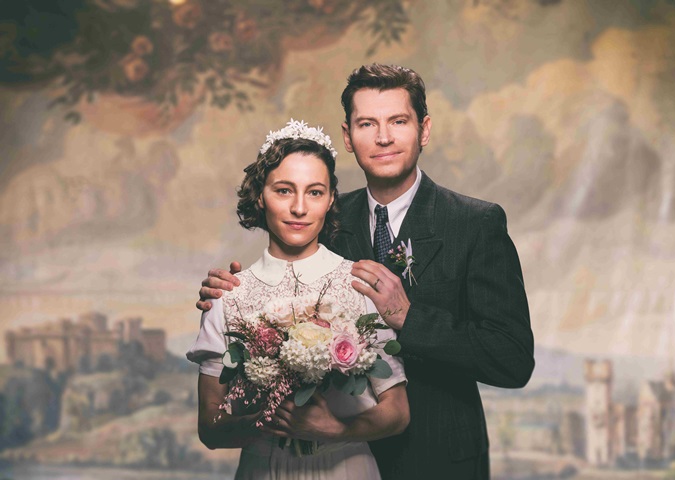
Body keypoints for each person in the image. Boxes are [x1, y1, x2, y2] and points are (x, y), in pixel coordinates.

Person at [198, 65, 535, 479]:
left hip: (440, 458)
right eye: (367, 124)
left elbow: (512, 360)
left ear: (424, 129)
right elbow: (280, 282)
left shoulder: (474, 223)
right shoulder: (322, 213)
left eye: (398, 121)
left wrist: (410, 318)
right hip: (336, 456)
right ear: (348, 136)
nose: (383, 137)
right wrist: (229, 294)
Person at [186, 119, 409, 480]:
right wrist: (270, 420)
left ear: (331, 199)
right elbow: (210, 428)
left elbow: (397, 413)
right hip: (263, 469)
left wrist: (335, 429)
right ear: (261, 196)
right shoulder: (228, 295)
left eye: (315, 192)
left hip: (346, 467)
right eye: (284, 191)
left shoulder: (359, 286)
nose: (300, 208)